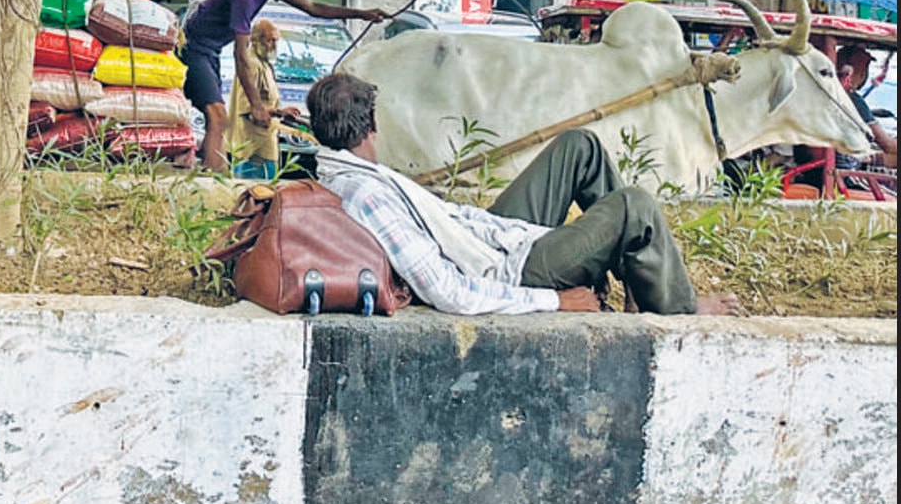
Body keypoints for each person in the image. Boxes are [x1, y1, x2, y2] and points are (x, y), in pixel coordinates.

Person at [306, 72, 743, 316]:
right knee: (636, 207)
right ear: (371, 127)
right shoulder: (365, 194)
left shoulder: (350, 171)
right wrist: (556, 300)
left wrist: (513, 229)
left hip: (481, 244)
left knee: (579, 147)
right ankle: (677, 308)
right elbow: (449, 290)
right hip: (502, 273)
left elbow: (448, 220)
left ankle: (640, 284)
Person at [182, 0, 387, 172]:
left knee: (215, 119)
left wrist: (362, 13)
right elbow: (241, 57)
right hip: (194, 49)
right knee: (218, 117)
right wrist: (256, 105)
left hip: (210, 51)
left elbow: (313, 7)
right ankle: (212, 184)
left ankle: (202, 169)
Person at [227, 19, 293, 180]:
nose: (274, 45)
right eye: (270, 40)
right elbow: (248, 109)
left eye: (276, 40)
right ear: (256, 41)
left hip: (265, 146)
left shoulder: (263, 64)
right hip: (253, 151)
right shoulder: (252, 65)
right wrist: (279, 112)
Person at [835, 46, 897, 170]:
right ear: (861, 73)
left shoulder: (831, 91)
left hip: (839, 162)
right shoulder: (851, 98)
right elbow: (887, 145)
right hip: (843, 172)